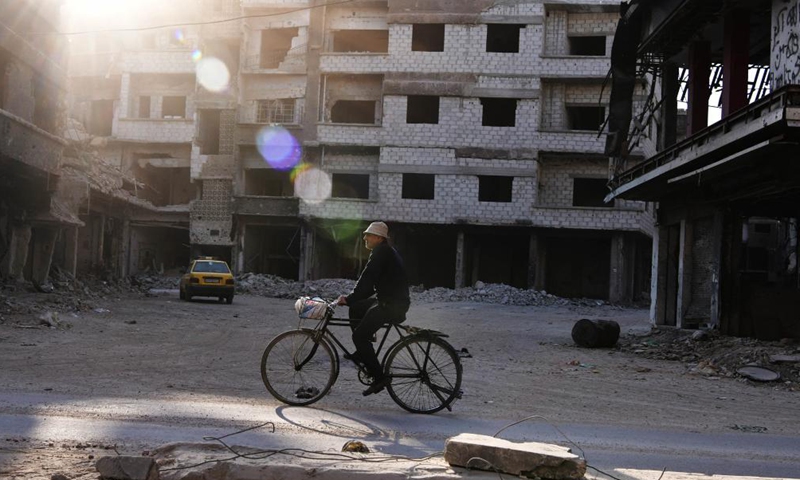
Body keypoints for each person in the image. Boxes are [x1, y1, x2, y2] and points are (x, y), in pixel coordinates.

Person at [337, 221, 410, 396]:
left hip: (392, 305)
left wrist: (348, 298)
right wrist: (352, 300)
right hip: (389, 301)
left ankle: (379, 377)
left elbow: (367, 278)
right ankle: (364, 351)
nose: (365, 238)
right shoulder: (385, 251)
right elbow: (369, 286)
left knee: (359, 336)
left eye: (368, 235)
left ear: (378, 238)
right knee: (356, 308)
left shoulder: (381, 252)